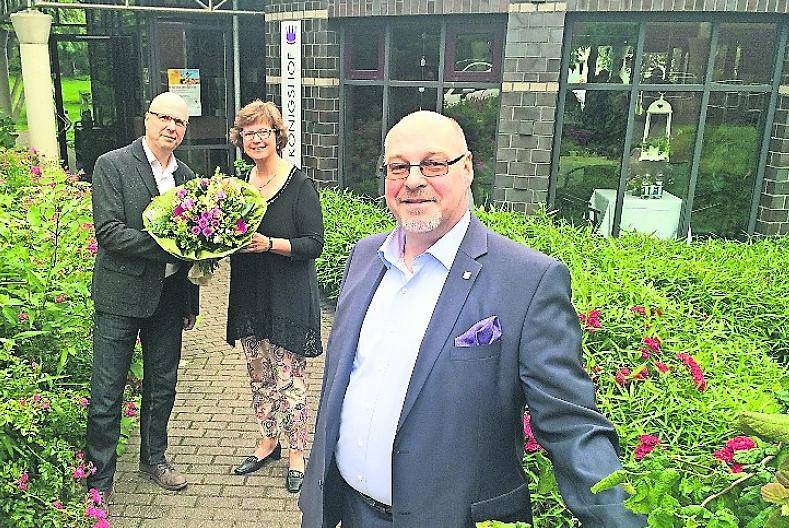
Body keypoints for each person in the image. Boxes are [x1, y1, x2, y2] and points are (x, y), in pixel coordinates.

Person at [299, 111, 646, 527]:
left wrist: (620, 518)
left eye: (433, 164)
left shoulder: (527, 280)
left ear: (467, 169)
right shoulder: (364, 258)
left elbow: (569, 423)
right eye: (398, 166)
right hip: (350, 513)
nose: (413, 180)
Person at [87, 92, 200, 503]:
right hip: (120, 297)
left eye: (180, 123)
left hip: (169, 298)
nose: (171, 127)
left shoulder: (187, 176)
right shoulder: (112, 165)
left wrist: (190, 301)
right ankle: (99, 480)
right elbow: (110, 233)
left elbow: (197, 246)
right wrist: (171, 245)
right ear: (147, 119)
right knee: (107, 390)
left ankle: (155, 459)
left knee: (162, 385)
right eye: (164, 118)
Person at [226, 100, 324, 493]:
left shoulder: (299, 184)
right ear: (240, 140)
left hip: (288, 297)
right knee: (260, 377)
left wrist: (270, 244)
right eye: (248, 133)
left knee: (290, 380)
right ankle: (269, 441)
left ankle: (298, 451)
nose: (255, 139)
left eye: (263, 132)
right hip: (251, 295)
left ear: (277, 136)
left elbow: (313, 243)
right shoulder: (238, 187)